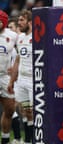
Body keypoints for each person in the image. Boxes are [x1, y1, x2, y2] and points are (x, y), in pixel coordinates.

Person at [8, 9, 33, 144]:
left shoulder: (37, 38)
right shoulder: (20, 39)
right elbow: (18, 60)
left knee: (34, 112)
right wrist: (12, 80)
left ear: (29, 22)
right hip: (22, 79)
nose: (19, 23)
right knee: (26, 111)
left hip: (33, 79)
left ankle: (36, 139)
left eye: (21, 20)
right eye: (18, 21)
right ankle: (28, 141)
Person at [0, 10, 18, 144]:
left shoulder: (12, 36)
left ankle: (5, 139)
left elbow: (23, 50)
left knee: (10, 109)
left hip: (5, 76)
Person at [7, 17, 25, 144]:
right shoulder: (9, 46)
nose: (9, 31)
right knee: (13, 109)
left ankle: (25, 138)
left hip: (23, 79)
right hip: (12, 80)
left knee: (26, 111)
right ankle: (19, 138)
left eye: (11, 28)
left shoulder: (22, 44)